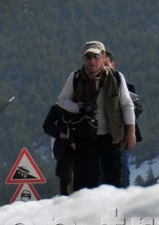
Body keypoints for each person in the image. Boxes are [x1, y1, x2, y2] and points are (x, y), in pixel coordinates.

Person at [57, 41, 135, 190]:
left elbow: (126, 104)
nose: (92, 60)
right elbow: (62, 100)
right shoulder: (75, 77)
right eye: (88, 56)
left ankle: (114, 211)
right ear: (83, 58)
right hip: (85, 136)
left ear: (103, 56)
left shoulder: (116, 77)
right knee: (86, 181)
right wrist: (76, 108)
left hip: (112, 136)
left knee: (114, 179)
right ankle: (89, 212)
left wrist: (131, 133)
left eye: (96, 56)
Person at [104, 50, 143, 187]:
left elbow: (137, 108)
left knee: (124, 170)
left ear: (112, 65)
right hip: (103, 137)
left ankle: (123, 199)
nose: (104, 68)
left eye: (106, 64)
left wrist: (125, 120)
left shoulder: (127, 85)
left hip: (124, 136)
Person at [42, 103, 75, 196]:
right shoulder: (59, 107)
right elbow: (47, 126)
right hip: (65, 151)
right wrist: (60, 134)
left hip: (84, 148)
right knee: (67, 181)